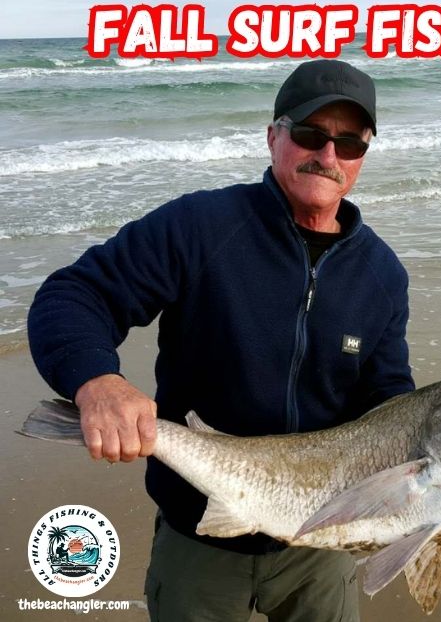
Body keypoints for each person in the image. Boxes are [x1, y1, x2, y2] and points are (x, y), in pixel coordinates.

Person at [28, 59, 414, 622]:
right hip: (198, 539)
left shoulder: (382, 274)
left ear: (363, 154)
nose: (328, 156)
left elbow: (389, 402)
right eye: (310, 134)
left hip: (321, 543)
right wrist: (96, 381)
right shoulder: (201, 226)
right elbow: (75, 294)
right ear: (273, 136)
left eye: (349, 143)